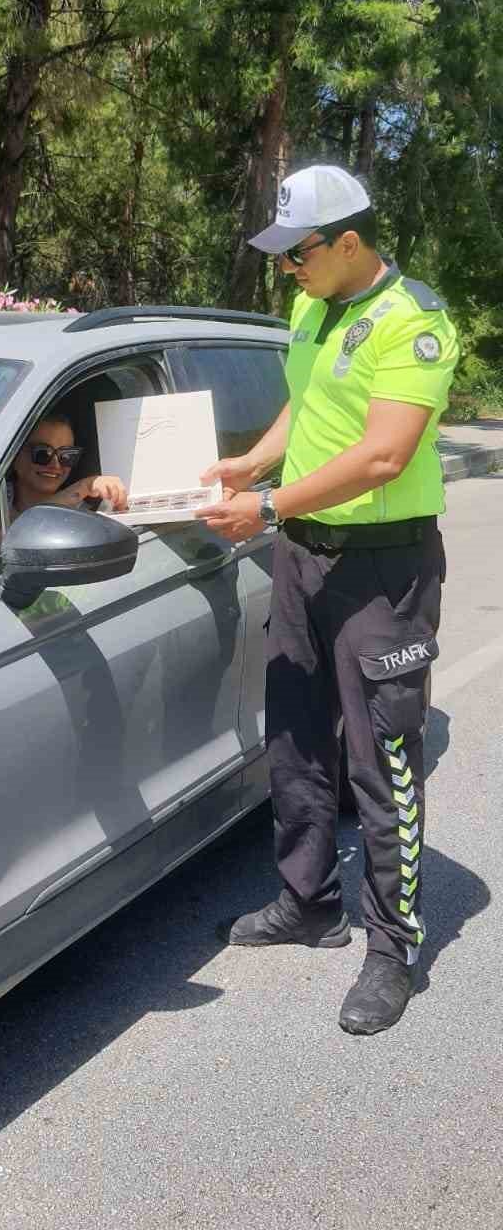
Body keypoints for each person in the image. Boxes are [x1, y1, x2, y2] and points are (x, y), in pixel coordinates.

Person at [198, 163, 459, 1036]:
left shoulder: (413, 321)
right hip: (303, 558)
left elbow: (385, 453)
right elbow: (304, 408)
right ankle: (307, 900)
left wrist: (267, 504)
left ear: (349, 241)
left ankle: (394, 946)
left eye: (296, 253)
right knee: (297, 737)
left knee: (383, 758)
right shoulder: (313, 306)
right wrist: (252, 464)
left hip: (383, 568)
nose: (286, 269)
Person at [0, 412, 127, 554]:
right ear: (14, 454)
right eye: (43, 453)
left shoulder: (86, 519)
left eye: (67, 455)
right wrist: (82, 487)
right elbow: (7, 539)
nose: (55, 464)